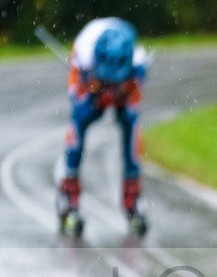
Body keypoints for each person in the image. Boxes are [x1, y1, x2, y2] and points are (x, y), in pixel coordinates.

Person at [56, 17, 148, 236]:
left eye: (115, 80)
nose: (111, 85)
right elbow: (76, 102)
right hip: (90, 82)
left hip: (122, 76)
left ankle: (133, 199)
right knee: (79, 123)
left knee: (131, 125)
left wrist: (121, 92)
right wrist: (97, 99)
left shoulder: (137, 62)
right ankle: (68, 195)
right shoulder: (82, 58)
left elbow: (133, 105)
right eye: (108, 80)